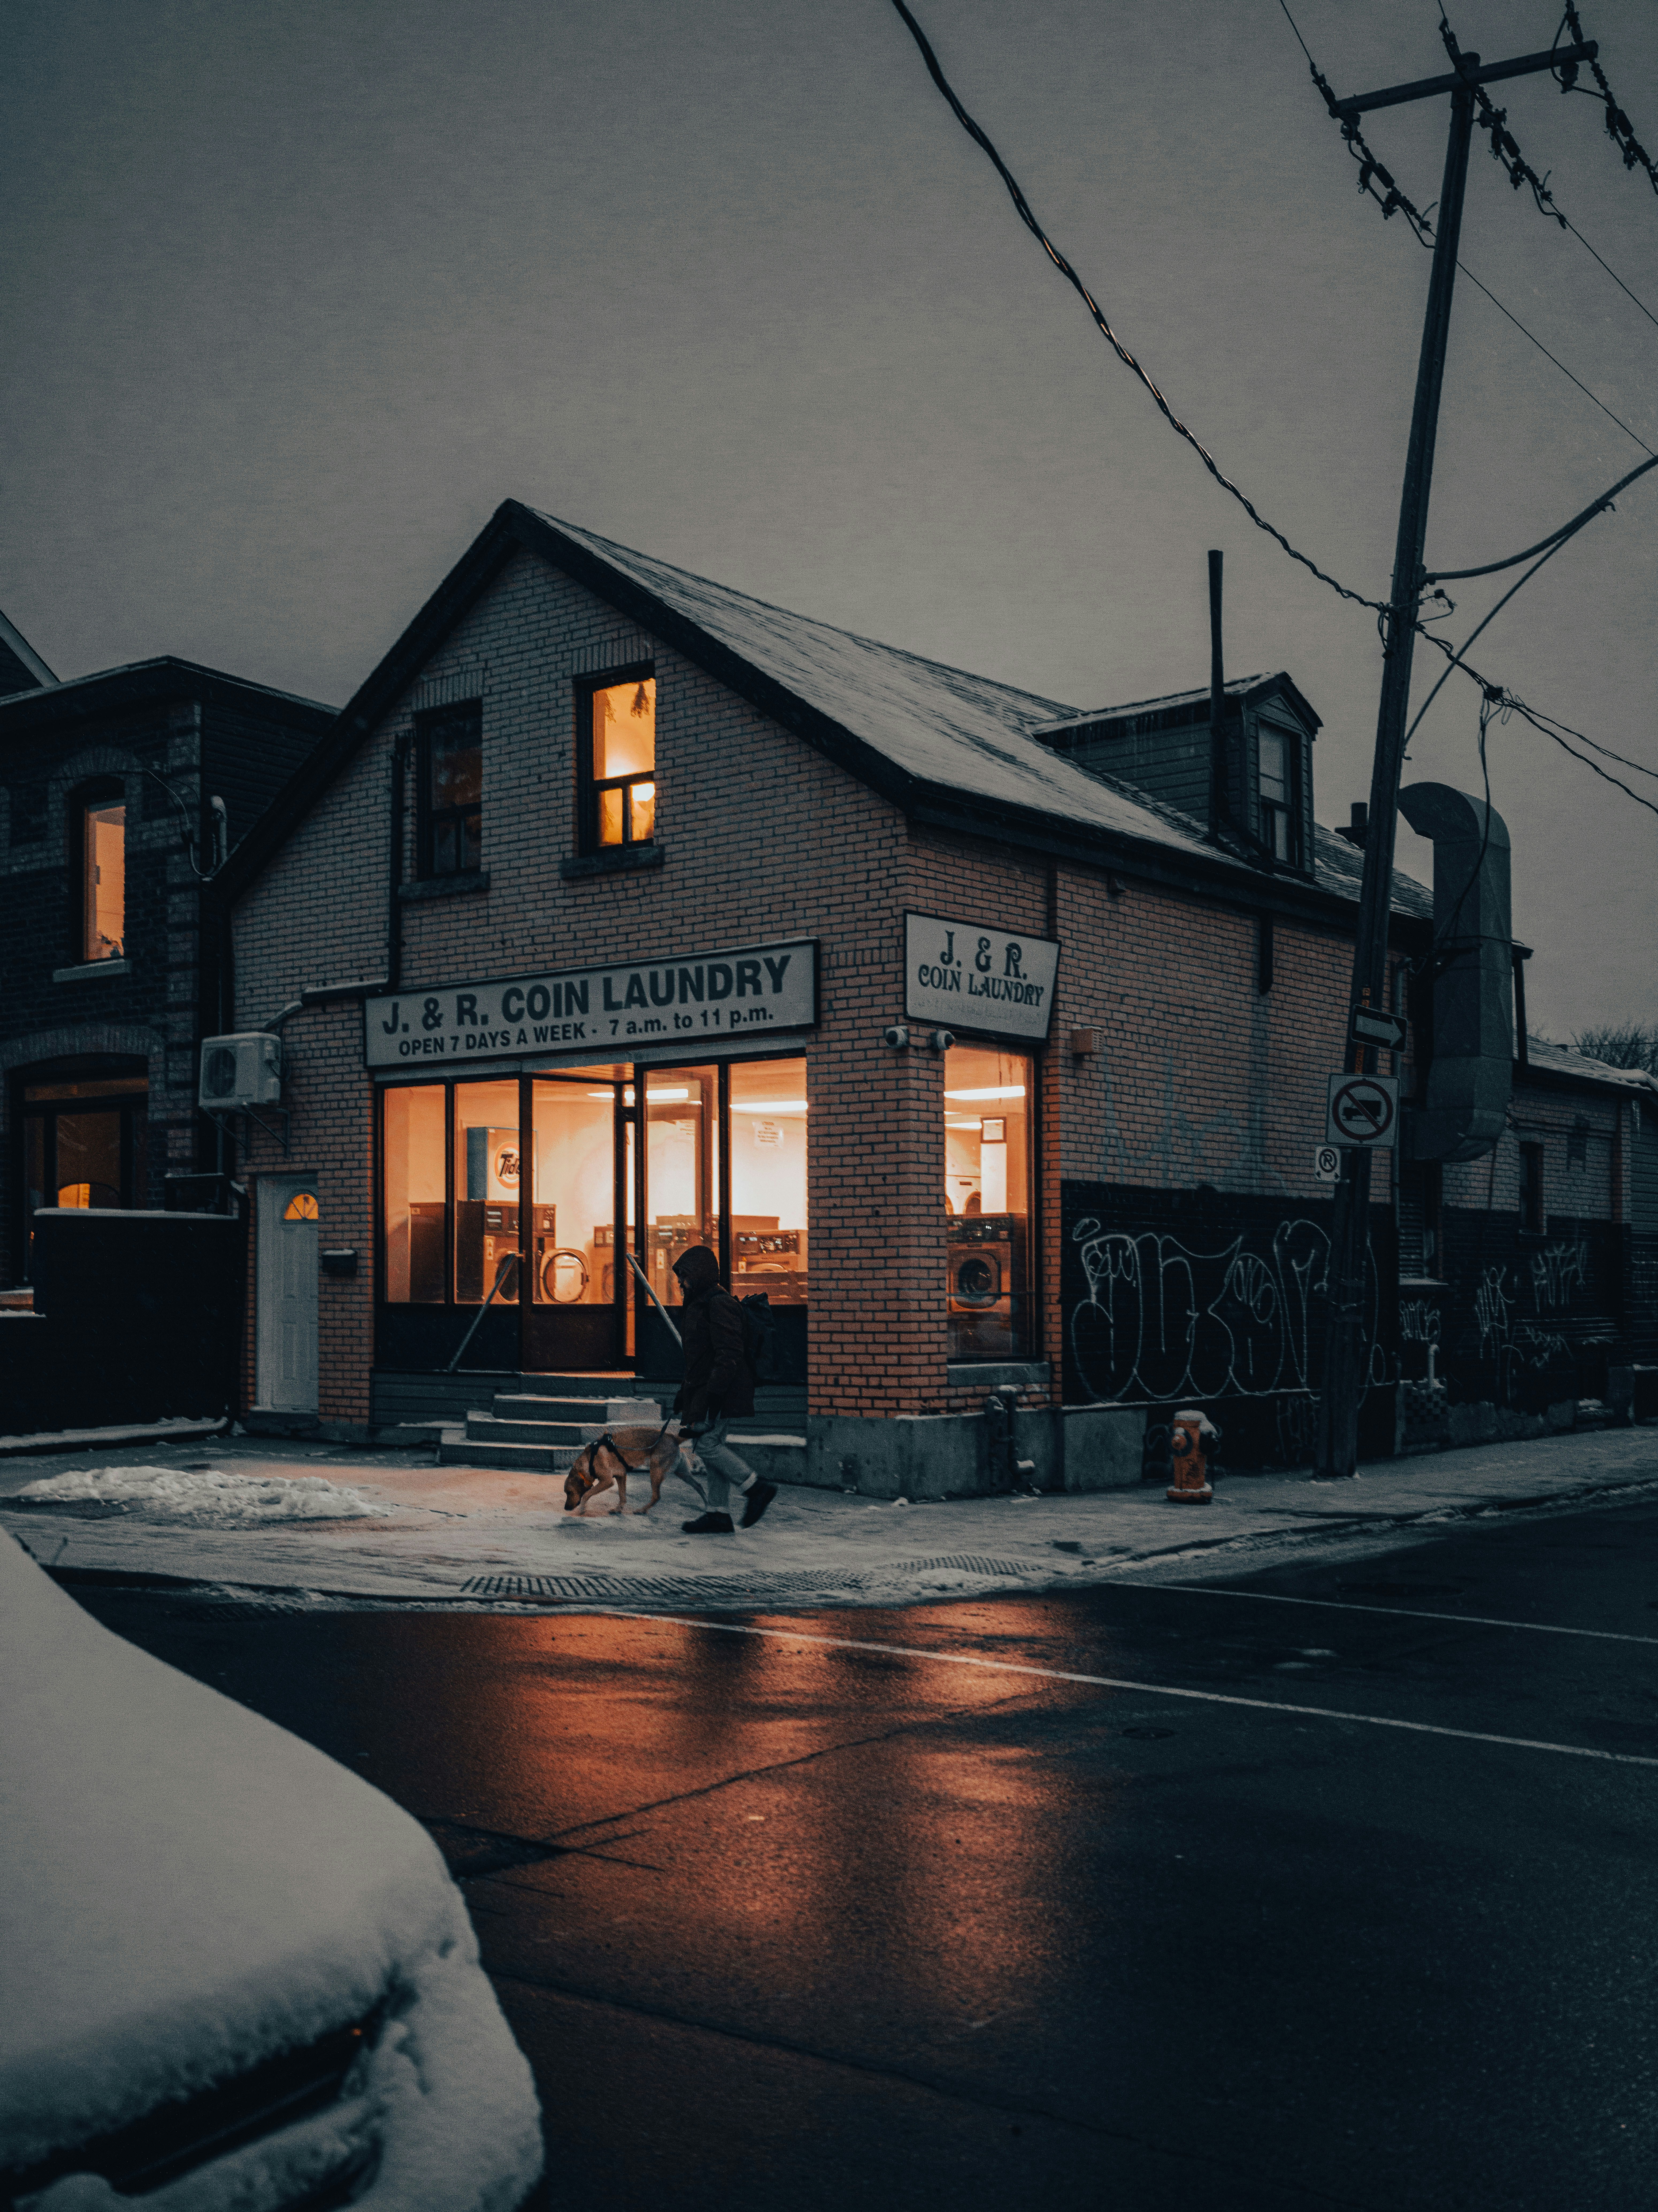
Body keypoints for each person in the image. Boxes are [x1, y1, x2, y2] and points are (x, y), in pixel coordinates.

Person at [669, 1244, 778, 1535]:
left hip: (720, 1390)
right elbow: (699, 1359)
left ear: (699, 1274)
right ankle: (718, 1513)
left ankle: (756, 1487)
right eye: (679, 1276)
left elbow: (728, 1355)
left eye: (684, 1275)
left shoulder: (719, 1303)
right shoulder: (700, 1303)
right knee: (709, 1445)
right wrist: (685, 1394)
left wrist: (714, 1396)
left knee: (707, 1445)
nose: (680, 1281)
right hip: (706, 1388)